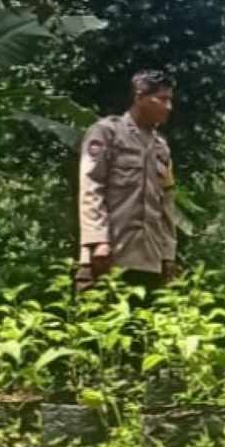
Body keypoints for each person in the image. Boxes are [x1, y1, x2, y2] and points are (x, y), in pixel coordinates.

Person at [77, 71, 178, 292]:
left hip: (148, 262)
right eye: (161, 99)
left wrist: (168, 255)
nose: (168, 107)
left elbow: (166, 204)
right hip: (106, 257)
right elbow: (91, 187)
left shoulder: (161, 148)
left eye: (170, 100)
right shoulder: (107, 133)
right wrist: (98, 240)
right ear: (140, 97)